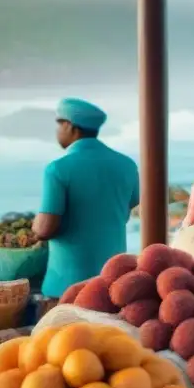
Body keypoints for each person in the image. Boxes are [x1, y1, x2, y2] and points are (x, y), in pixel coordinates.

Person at [31, 99, 139, 298]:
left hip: (67, 284)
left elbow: (45, 228)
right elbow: (132, 202)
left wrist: (35, 228)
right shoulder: (127, 165)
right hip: (114, 280)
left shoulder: (58, 169)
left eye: (59, 125)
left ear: (69, 126)